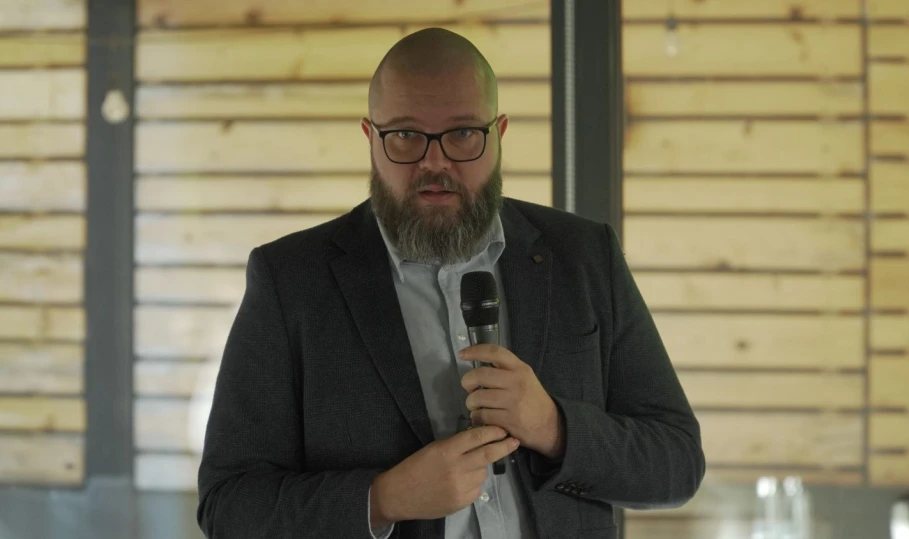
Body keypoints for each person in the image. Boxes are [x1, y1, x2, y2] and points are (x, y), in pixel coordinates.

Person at [196, 27, 705, 539]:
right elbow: (228, 506)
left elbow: (678, 462)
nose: (434, 162)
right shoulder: (290, 281)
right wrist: (384, 498)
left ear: (499, 134)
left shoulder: (585, 255)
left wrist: (553, 427)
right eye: (405, 135)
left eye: (462, 133)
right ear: (371, 138)